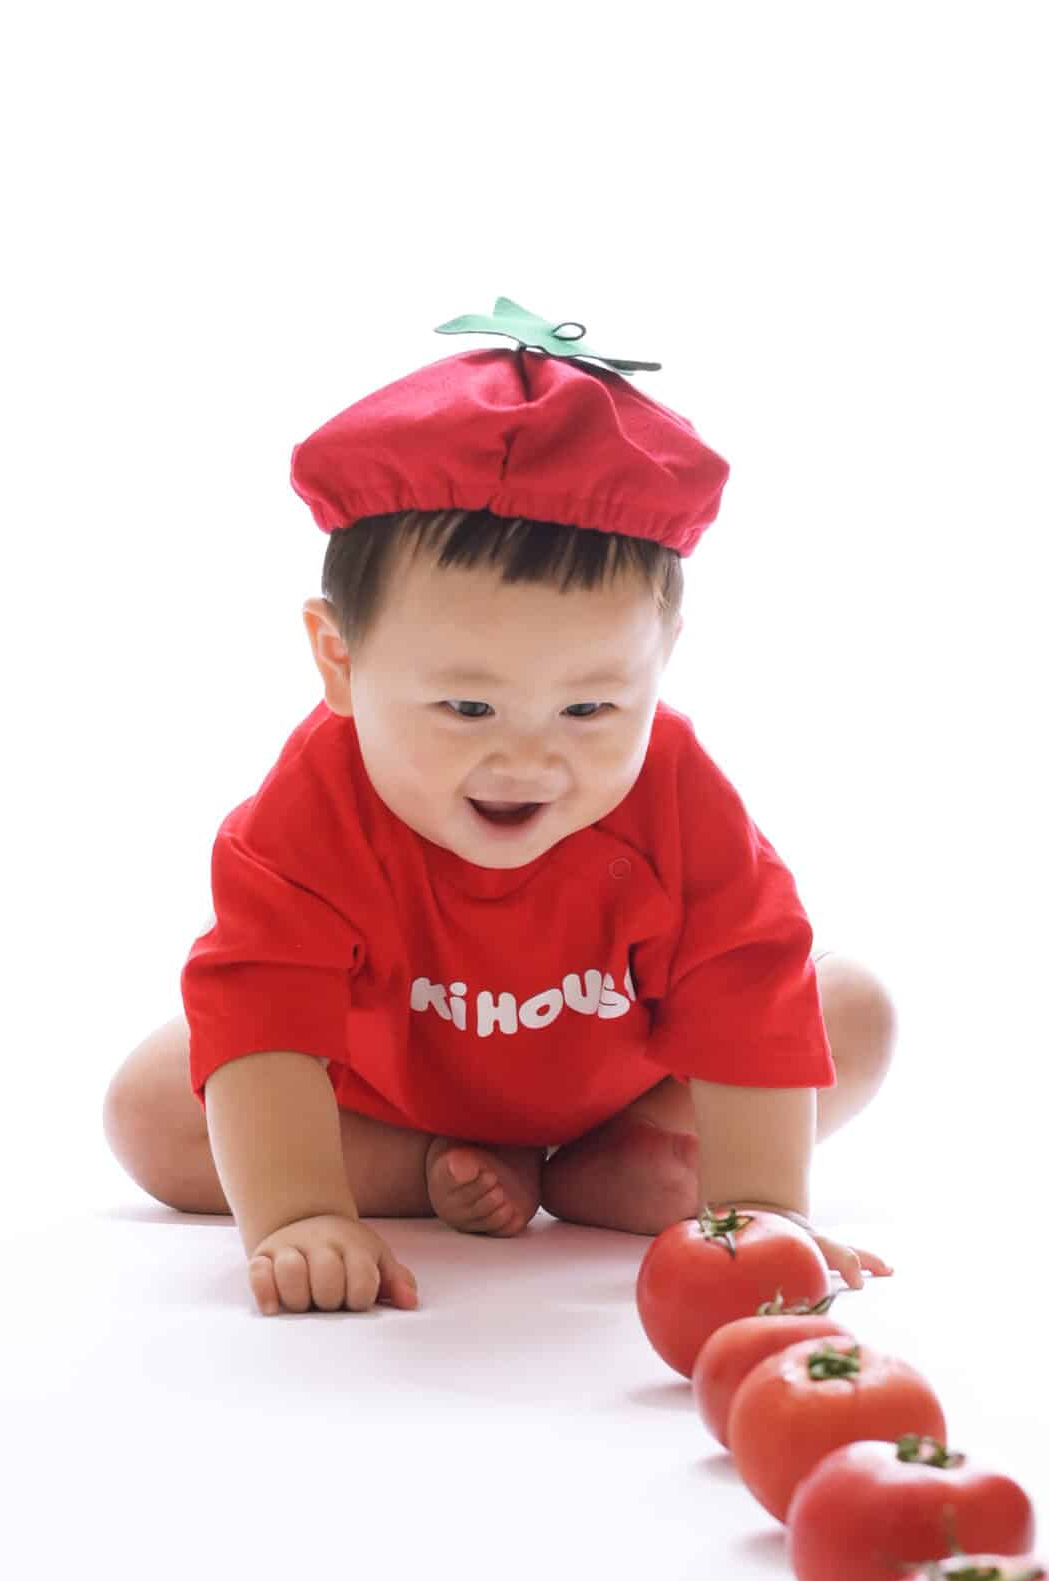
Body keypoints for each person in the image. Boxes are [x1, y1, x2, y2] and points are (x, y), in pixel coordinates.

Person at [101, 298, 897, 1317]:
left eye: (590, 708)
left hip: (628, 1077)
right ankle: (425, 1165)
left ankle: (625, 1157)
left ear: (662, 658)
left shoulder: (679, 794)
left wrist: (757, 1212)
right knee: (152, 1108)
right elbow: (260, 1004)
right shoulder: (309, 809)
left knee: (853, 1006)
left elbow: (748, 987)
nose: (528, 758)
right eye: (468, 707)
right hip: (386, 1093)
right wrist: (298, 1212)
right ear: (339, 660)